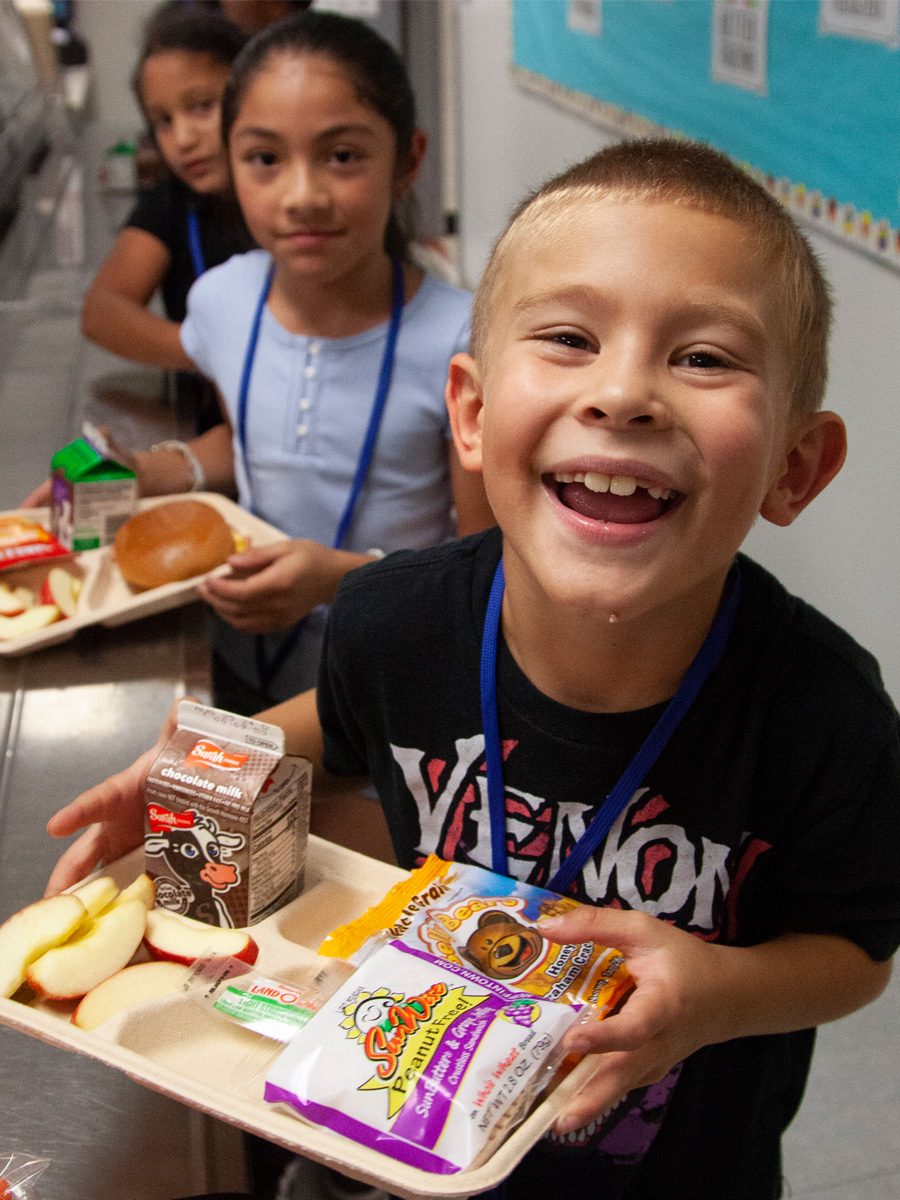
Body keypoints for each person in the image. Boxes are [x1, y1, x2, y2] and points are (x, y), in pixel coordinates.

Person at [43, 139, 900, 1200]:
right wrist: (208, 762)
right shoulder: (395, 618)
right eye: (571, 339)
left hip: (674, 1165)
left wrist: (722, 993)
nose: (624, 393)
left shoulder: (824, 708)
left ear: (795, 465)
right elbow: (346, 716)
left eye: (705, 357)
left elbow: (858, 952)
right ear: (473, 411)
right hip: (399, 1109)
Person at [44, 10, 492, 715]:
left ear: (408, 160)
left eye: (342, 156)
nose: (302, 195)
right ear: (229, 161)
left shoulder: (460, 340)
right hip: (239, 660)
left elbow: (486, 565)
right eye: (264, 158)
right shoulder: (222, 300)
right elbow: (255, 441)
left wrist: (341, 579)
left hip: (392, 683)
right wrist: (147, 472)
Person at [80, 2, 255, 432]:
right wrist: (201, 348)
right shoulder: (173, 205)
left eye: (201, 107)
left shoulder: (291, 200)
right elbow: (102, 311)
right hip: (219, 435)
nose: (183, 138)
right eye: (163, 120)